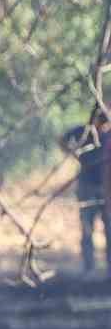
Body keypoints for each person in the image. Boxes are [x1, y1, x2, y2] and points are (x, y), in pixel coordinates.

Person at [61, 111, 111, 274]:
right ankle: (89, 267)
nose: (103, 126)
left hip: (107, 188)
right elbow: (62, 140)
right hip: (86, 187)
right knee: (87, 228)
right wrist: (75, 154)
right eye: (101, 120)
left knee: (109, 228)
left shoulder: (109, 134)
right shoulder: (83, 131)